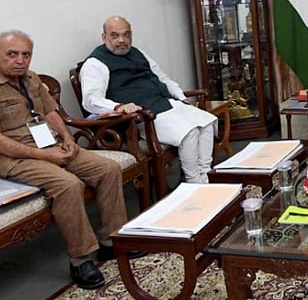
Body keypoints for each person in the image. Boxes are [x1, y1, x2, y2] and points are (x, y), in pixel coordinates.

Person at [0, 30, 142, 290]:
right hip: (14, 158)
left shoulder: (31, 79)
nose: (20, 60)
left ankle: (111, 242)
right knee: (68, 184)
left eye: (26, 54)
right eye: (12, 54)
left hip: (52, 146)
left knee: (108, 169)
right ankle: (81, 259)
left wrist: (67, 138)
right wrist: (44, 155)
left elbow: (50, 112)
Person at [80, 16, 217, 184]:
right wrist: (118, 106)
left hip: (165, 103)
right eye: (115, 35)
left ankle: (206, 174)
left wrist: (181, 98)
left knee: (207, 123)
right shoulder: (95, 63)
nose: (122, 40)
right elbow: (91, 100)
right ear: (104, 37)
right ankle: (194, 181)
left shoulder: (138, 53)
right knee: (189, 133)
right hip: (142, 116)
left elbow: (162, 78)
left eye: (126, 35)